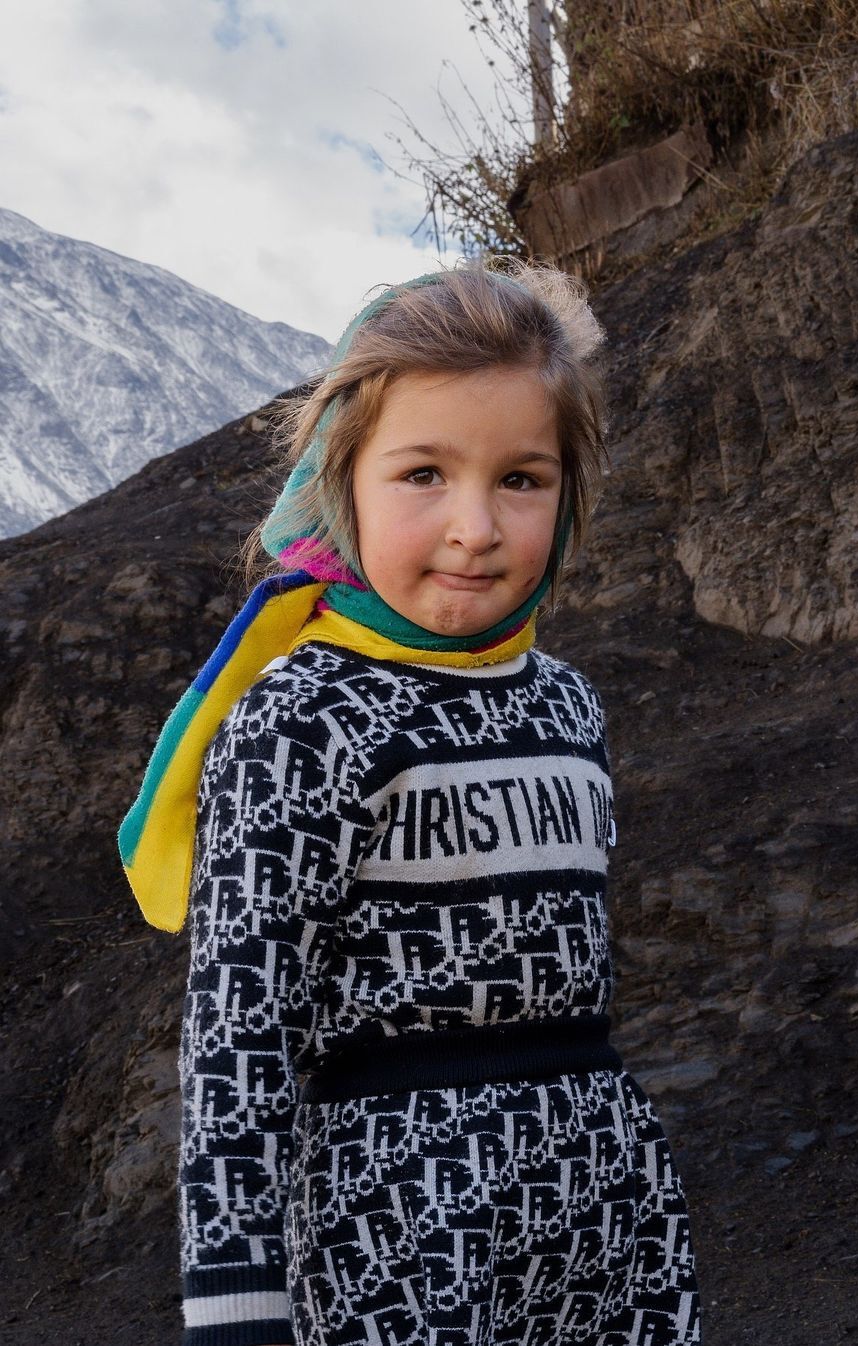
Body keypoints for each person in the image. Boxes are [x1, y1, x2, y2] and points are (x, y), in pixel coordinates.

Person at [118, 259, 702, 1346]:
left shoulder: (567, 702)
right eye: (423, 472)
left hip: (604, 1208)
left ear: (570, 493)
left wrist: (635, 1223)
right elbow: (239, 1033)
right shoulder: (302, 717)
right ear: (342, 483)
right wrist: (237, 1304)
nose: (475, 524)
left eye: (522, 478)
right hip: (392, 1226)